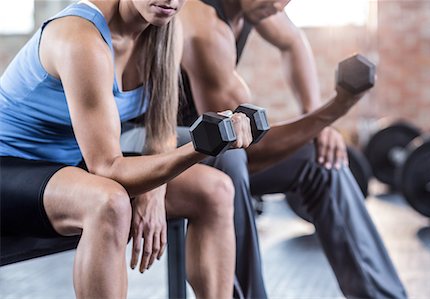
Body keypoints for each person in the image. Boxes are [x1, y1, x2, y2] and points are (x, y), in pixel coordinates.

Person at [0, 0, 257, 298]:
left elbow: (160, 130)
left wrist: (154, 191)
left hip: (69, 166)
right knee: (108, 203)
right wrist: (201, 148)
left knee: (215, 191)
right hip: (9, 165)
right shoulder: (80, 37)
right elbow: (107, 168)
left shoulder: (167, 33)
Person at [177, 0, 408, 298]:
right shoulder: (203, 29)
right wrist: (330, 113)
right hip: (171, 157)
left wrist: (315, 117)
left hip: (220, 148)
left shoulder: (258, 7)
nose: (278, 4)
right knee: (231, 162)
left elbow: (294, 42)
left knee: (322, 159)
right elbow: (237, 146)